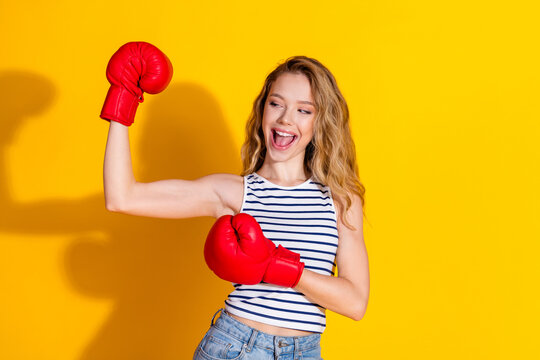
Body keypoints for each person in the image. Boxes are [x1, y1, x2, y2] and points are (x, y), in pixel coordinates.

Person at [101, 42, 370, 360]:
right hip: (236, 348)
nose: (285, 119)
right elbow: (122, 197)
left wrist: (276, 265)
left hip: (305, 352)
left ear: (320, 121)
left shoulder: (340, 199)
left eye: (304, 110)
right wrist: (122, 99)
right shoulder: (234, 192)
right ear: (262, 110)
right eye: (276, 104)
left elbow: (355, 303)